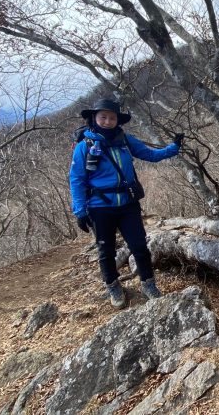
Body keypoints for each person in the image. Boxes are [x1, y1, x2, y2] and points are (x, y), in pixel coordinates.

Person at [69, 98, 183, 309]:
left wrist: (173, 148)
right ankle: (112, 285)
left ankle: (148, 284)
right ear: (94, 118)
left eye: (112, 117)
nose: (107, 121)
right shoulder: (84, 146)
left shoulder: (125, 140)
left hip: (128, 204)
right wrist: (80, 210)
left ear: (117, 120)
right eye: (103, 116)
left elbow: (149, 154)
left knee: (139, 245)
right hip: (99, 206)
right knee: (106, 250)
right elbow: (76, 179)